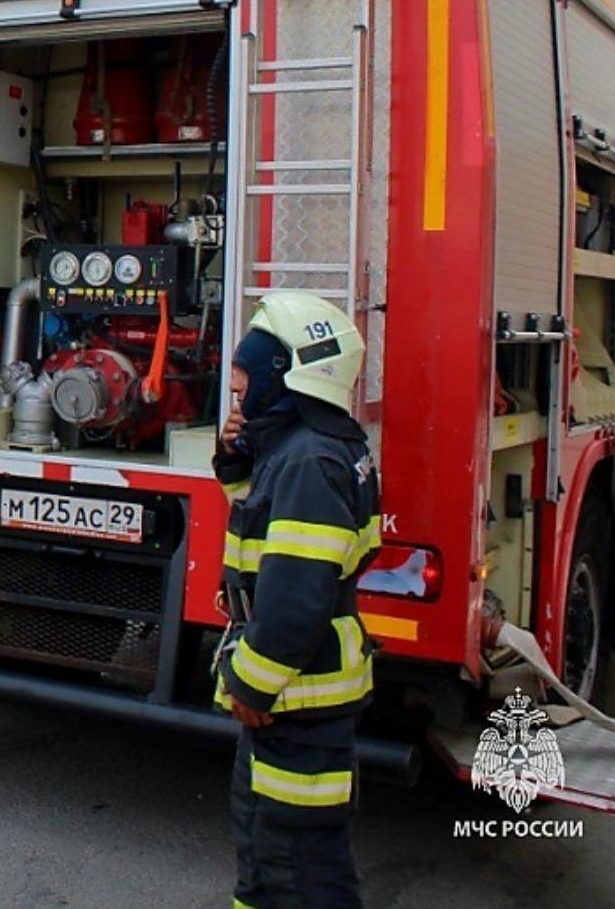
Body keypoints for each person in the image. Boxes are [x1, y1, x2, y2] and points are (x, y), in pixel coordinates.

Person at [212, 292, 381, 909]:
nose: (236, 392)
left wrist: (250, 687)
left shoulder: (309, 462)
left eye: (245, 380)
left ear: (286, 378)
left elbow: (295, 601)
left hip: (294, 697)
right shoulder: (309, 445)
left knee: (301, 869)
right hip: (294, 698)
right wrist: (237, 450)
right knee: (265, 858)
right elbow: (258, 506)